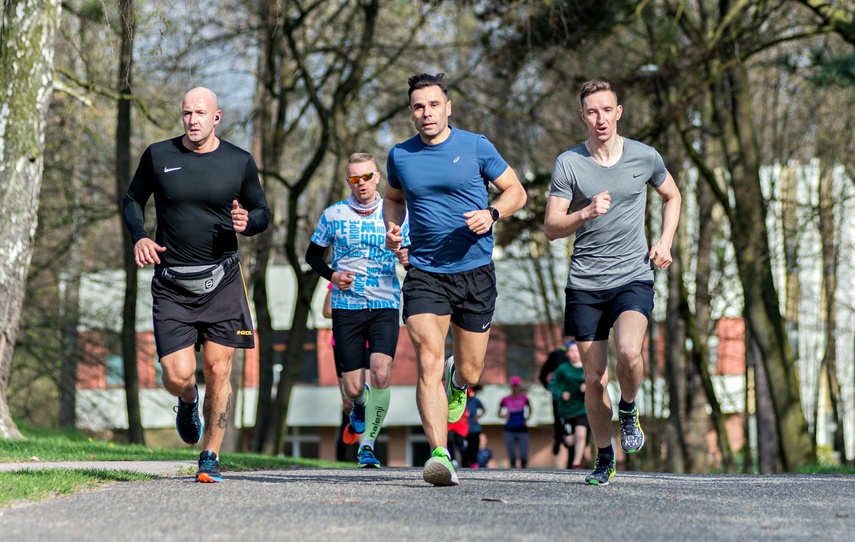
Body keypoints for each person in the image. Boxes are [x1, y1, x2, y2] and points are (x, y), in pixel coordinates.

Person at [383, 72, 527, 486]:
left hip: (475, 272)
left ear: (448, 107)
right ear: (411, 112)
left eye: (433, 104)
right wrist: (393, 229)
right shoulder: (401, 155)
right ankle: (440, 455)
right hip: (425, 271)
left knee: (471, 369)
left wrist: (493, 213)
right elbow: (393, 201)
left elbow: (516, 191)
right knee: (427, 357)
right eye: (418, 106)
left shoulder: (476, 146)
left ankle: (457, 381)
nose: (426, 113)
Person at [122, 87, 271, 483]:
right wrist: (139, 234)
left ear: (217, 117)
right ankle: (187, 400)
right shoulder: (159, 155)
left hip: (222, 279)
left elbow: (262, 211)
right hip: (172, 283)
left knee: (219, 370)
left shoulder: (238, 161)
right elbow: (132, 199)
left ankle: (210, 455)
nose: (192, 120)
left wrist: (249, 223)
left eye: (200, 113)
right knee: (177, 374)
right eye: (186, 113)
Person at [543, 78, 681, 485]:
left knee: (629, 352)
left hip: (632, 276)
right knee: (592, 378)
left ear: (618, 112)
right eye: (592, 111)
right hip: (585, 282)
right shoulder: (569, 163)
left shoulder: (644, 156)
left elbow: (672, 196)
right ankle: (605, 457)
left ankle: (629, 405)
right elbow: (551, 227)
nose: (600, 118)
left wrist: (665, 241)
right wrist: (584, 213)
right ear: (582, 116)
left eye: (607, 110)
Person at [305, 152, 408, 469]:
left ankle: (368, 446)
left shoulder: (397, 212)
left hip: (384, 304)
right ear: (348, 180)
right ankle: (360, 405)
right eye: (354, 178)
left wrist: (407, 258)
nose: (360, 184)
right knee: (352, 389)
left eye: (366, 177)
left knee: (380, 372)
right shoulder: (333, 215)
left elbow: (412, 250)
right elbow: (312, 256)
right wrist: (332, 276)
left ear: (377, 177)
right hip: (346, 308)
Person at [551, 340, 589, 469]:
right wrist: (561, 393)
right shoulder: (562, 370)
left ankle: (576, 463)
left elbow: (597, 383)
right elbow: (553, 385)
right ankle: (561, 438)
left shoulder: (587, 368)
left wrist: (587, 386)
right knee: (570, 440)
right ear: (567, 354)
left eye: (576, 351)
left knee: (581, 434)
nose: (574, 354)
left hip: (582, 408)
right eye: (571, 351)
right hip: (567, 410)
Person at [539, 341, 571, 455]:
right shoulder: (556, 355)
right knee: (559, 420)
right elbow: (543, 374)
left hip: (577, 397)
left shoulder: (582, 354)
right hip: (559, 396)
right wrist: (550, 388)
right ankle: (559, 438)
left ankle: (573, 458)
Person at [498, 376, 532, 468]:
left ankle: (524, 471)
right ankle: (513, 471)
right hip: (509, 429)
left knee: (524, 456)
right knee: (512, 457)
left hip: (522, 429)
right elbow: (499, 413)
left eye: (517, 386)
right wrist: (503, 416)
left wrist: (527, 418)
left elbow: (530, 408)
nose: (515, 388)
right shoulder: (505, 399)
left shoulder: (524, 398)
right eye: (513, 386)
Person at [463, 386, 486, 468]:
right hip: (463, 428)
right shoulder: (462, 400)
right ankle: (465, 463)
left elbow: (483, 409)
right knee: (464, 447)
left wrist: (478, 416)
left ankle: (474, 463)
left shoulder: (475, 400)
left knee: (474, 447)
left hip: (474, 428)